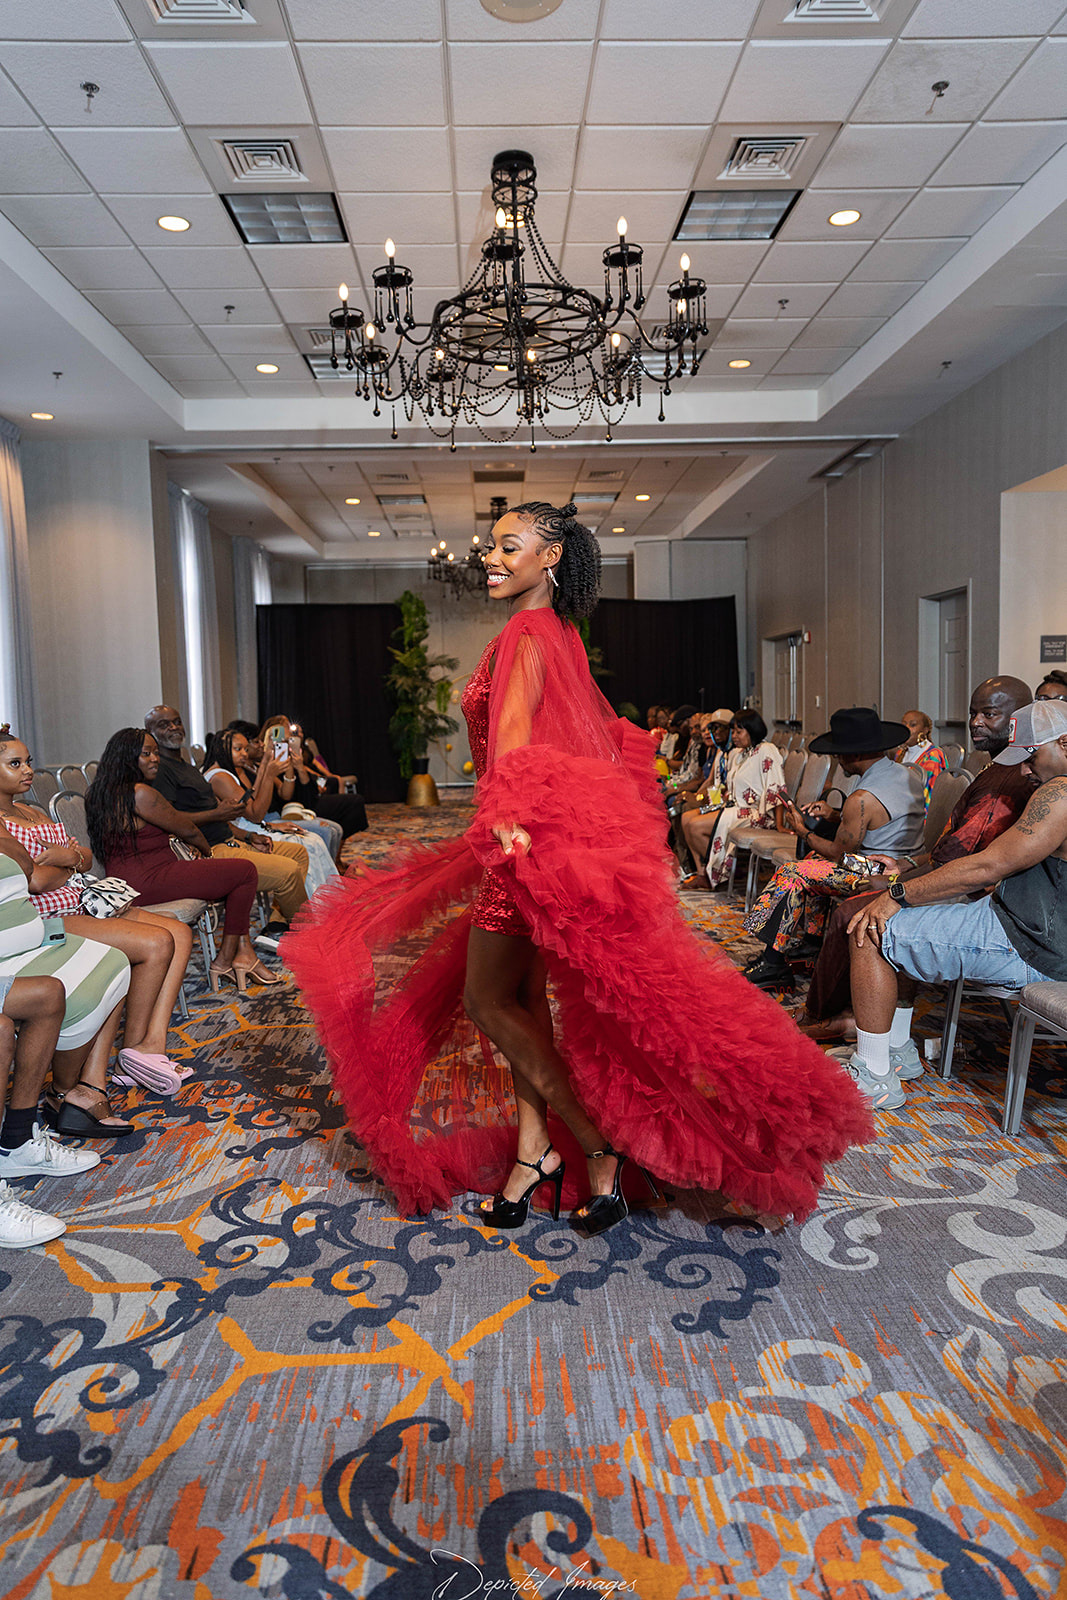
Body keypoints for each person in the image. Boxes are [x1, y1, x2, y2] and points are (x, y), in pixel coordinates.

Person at [284, 501, 872, 1232]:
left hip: (517, 844)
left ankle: (595, 1145)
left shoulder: (528, 632)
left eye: (509, 546)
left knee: (486, 1001)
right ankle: (535, 1154)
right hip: (535, 838)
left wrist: (508, 825)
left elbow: (514, 739)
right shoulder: (558, 632)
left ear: (551, 555)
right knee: (522, 1002)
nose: (491, 558)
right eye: (491, 546)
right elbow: (589, 739)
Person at [840, 697, 1067, 1110]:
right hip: (1032, 928)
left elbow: (988, 865)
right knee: (907, 916)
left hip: (1032, 945)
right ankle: (897, 1051)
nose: (1024, 770)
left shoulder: (1061, 792)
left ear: (1064, 743)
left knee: (869, 928)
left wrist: (896, 894)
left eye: (1031, 757)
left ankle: (873, 1075)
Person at [802, 676, 1037, 1039]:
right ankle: (857, 1016)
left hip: (976, 893)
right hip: (954, 875)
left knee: (859, 914)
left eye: (989, 714)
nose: (975, 722)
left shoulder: (1016, 776)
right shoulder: (997, 768)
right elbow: (951, 845)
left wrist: (896, 884)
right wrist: (908, 865)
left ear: (1019, 717)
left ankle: (835, 1017)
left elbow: (969, 863)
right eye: (973, 713)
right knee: (858, 899)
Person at [0, 724, 192, 1093]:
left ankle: (151, 1044)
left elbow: (85, 858)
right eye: (15, 764)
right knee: (157, 943)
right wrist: (68, 862)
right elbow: (35, 882)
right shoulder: (2, 825)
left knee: (180, 933)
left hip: (84, 897)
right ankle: (135, 1051)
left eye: (28, 761)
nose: (28, 770)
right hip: (50, 914)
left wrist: (67, 860)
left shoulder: (30, 811)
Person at [741, 707, 926, 991]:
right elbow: (881, 821)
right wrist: (833, 815)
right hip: (908, 862)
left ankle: (773, 962)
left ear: (854, 754)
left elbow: (839, 853)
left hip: (877, 871)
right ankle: (812, 943)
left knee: (792, 872)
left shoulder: (861, 798)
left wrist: (802, 831)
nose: (838, 760)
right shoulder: (908, 774)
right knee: (812, 861)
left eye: (839, 754)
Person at [85, 728, 272, 995]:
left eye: (156, 753)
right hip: (149, 878)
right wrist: (207, 854)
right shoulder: (141, 793)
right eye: (146, 754)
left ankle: (241, 953)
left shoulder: (100, 793)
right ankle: (227, 959)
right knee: (245, 872)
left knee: (237, 874)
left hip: (129, 879)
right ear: (127, 757)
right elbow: (189, 830)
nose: (155, 759)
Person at [145, 705, 309, 951]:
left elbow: (224, 817)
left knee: (299, 853)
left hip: (230, 839)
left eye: (177, 721)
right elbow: (170, 819)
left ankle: (279, 925)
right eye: (164, 724)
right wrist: (217, 814)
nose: (174, 727)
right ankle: (308, 937)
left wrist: (248, 835)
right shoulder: (161, 771)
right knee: (288, 872)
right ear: (150, 732)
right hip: (210, 850)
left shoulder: (186, 766)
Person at [202, 728, 338, 897]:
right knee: (307, 844)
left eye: (245, 749)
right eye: (238, 749)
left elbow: (251, 798)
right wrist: (268, 774)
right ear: (221, 749)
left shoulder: (228, 772)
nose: (244, 754)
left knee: (313, 839)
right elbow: (255, 813)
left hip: (250, 826)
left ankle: (329, 897)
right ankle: (316, 901)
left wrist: (265, 765)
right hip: (241, 834)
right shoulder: (220, 777)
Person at [681, 710, 787, 890]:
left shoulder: (766, 750)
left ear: (752, 730)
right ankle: (704, 873)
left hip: (758, 814)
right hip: (736, 807)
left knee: (695, 826)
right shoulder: (739, 754)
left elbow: (776, 789)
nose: (734, 736)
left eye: (739, 731)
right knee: (686, 818)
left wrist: (780, 825)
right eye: (733, 732)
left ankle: (720, 872)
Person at [226, 719, 342, 860]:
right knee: (327, 830)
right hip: (265, 820)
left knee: (336, 829)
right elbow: (253, 804)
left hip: (276, 816)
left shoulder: (256, 767)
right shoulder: (240, 772)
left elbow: (285, 793)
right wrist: (266, 768)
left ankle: (332, 867)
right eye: (256, 742)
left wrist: (289, 765)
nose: (262, 744)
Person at [261, 716, 368, 840]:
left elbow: (307, 786)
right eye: (285, 731)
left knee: (351, 803)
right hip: (295, 806)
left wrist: (299, 766)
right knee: (354, 802)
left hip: (309, 798)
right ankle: (337, 842)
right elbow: (286, 795)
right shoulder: (268, 760)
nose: (289, 737)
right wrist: (285, 763)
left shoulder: (293, 754)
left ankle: (337, 841)